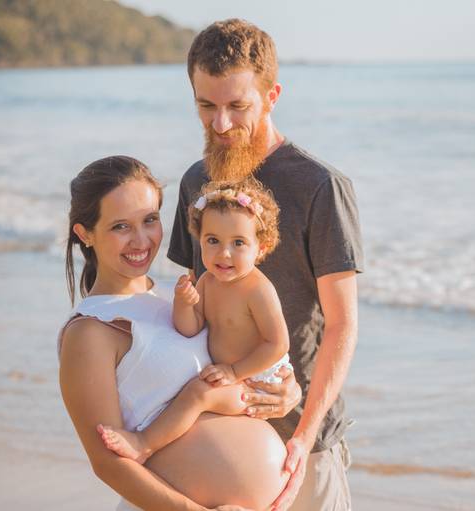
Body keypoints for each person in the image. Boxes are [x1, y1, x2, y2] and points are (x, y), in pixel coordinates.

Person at [169, 19, 364, 511]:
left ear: (272, 94)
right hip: (213, 436)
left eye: (238, 106)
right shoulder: (195, 181)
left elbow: (341, 325)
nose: (221, 124)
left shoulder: (320, 186)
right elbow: (193, 310)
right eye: (206, 106)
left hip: (301, 449)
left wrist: (304, 428)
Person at [59, 155, 299, 511]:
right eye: (120, 227)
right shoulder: (91, 330)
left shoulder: (183, 293)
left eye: (150, 220)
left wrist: (285, 392)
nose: (141, 240)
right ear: (85, 234)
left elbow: (240, 361)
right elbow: (107, 463)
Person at [96, 179, 292, 465]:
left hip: (258, 383)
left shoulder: (257, 290)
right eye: (213, 240)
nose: (224, 253)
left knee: (198, 393)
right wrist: (184, 303)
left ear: (261, 248)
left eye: (238, 243)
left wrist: (234, 371)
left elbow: (278, 344)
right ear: (199, 239)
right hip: (233, 378)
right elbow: (189, 328)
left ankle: (144, 443)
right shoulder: (207, 281)